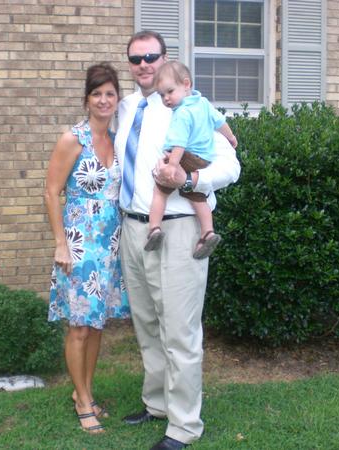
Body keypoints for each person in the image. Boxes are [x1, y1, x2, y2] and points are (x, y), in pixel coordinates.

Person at [115, 31, 240, 449]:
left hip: (180, 227)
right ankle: (157, 404)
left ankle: (183, 426)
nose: (144, 64)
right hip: (135, 227)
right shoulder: (126, 108)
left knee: (180, 331)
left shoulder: (190, 105)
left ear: (165, 59)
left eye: (151, 56)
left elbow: (230, 165)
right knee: (147, 324)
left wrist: (189, 179)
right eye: (135, 58)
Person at [45, 62, 130, 434]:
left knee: (96, 327)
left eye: (110, 93)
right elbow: (51, 192)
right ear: (87, 99)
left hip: (109, 244)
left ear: (117, 99)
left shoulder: (117, 140)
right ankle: (81, 401)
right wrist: (60, 244)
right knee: (79, 327)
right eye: (97, 94)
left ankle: (86, 392)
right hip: (78, 245)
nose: (104, 100)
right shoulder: (72, 139)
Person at [146, 60, 238, 258]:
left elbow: (179, 143)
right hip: (203, 160)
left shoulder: (181, 113)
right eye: (161, 95)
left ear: (186, 84)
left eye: (170, 92)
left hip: (184, 157)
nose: (166, 98)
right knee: (197, 196)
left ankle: (154, 229)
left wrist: (172, 165)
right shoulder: (203, 103)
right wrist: (231, 137)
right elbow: (220, 122)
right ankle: (208, 232)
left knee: (159, 192)